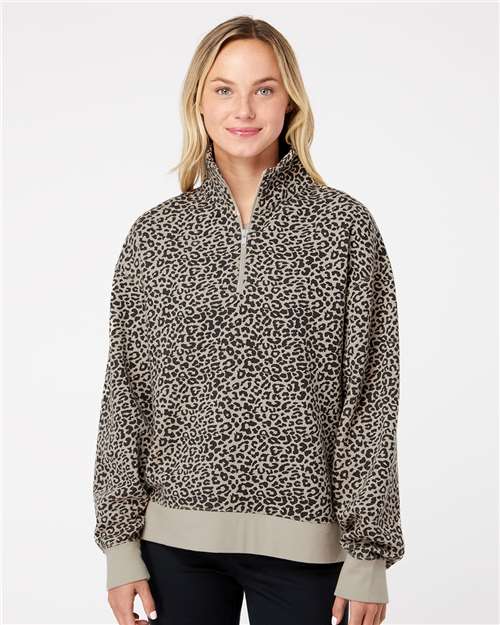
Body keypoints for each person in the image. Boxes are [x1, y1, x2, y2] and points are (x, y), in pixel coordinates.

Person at [92, 15, 405, 625]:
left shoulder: (344, 227)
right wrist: (120, 546)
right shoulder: (154, 236)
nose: (244, 109)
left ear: (290, 101)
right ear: (199, 102)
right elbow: (125, 395)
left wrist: (369, 552)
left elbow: (370, 393)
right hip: (173, 544)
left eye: (264, 88)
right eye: (224, 89)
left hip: (308, 545)